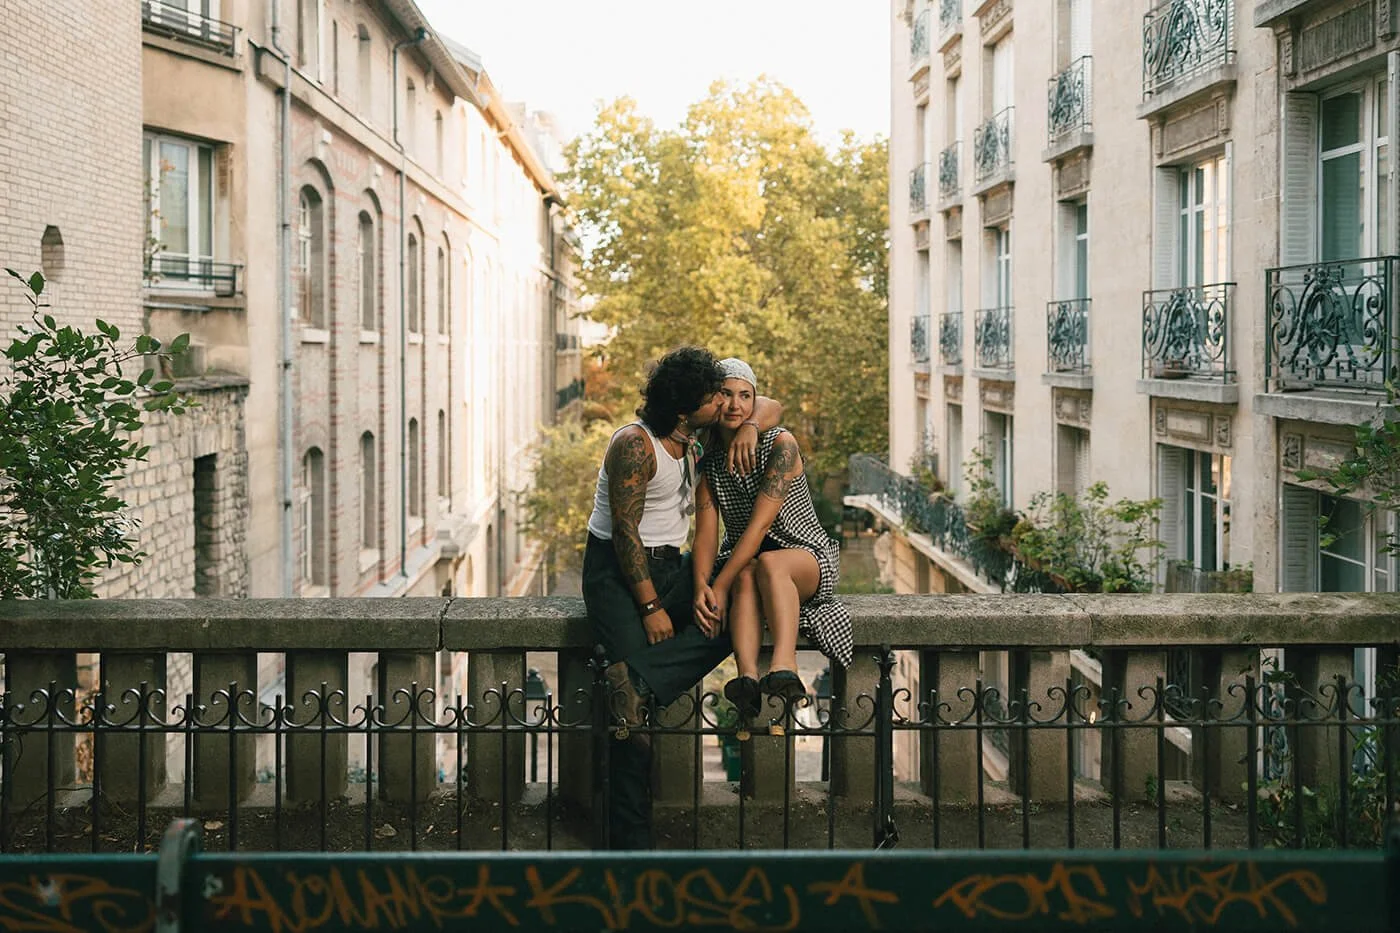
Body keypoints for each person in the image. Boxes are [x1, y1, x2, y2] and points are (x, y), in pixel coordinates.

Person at [581, 345, 782, 849]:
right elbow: (624, 533)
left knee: (736, 613)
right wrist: (650, 608)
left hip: (672, 565)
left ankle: (640, 681)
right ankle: (629, 848)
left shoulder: (694, 438)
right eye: (715, 396)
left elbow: (769, 404)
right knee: (629, 728)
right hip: (621, 574)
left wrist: (754, 426)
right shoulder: (636, 443)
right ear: (684, 408)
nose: (725, 403)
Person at [691, 358, 852, 721]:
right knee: (748, 574)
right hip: (750, 562)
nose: (735, 405)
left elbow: (758, 529)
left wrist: (720, 584)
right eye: (726, 395)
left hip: (806, 557)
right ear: (714, 400)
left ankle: (785, 664)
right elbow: (705, 534)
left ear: (754, 401)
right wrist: (702, 588)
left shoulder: (780, 445)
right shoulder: (709, 459)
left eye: (745, 396)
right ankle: (746, 676)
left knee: (766, 562)